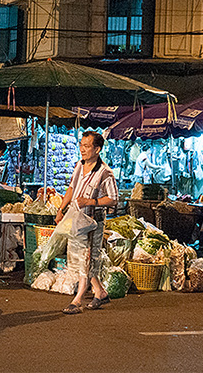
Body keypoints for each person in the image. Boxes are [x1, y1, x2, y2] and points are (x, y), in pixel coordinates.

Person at [56, 131, 119, 314]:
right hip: (77, 219)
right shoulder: (79, 165)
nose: (82, 149)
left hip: (93, 221)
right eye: (81, 145)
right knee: (78, 256)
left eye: (86, 146)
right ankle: (100, 291)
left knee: (87, 256)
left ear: (97, 149)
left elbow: (114, 199)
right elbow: (71, 188)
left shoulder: (105, 173)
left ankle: (78, 299)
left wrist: (90, 202)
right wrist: (61, 209)